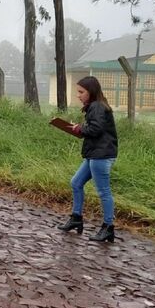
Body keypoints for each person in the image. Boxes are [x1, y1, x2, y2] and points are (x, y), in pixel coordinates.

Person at [58, 76, 118, 242]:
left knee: (103, 191)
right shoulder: (95, 106)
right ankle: (76, 218)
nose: (79, 95)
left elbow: (95, 129)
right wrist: (80, 128)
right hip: (95, 154)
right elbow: (94, 128)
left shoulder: (97, 106)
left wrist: (79, 128)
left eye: (81, 92)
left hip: (101, 155)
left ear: (91, 92)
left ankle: (108, 227)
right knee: (76, 183)